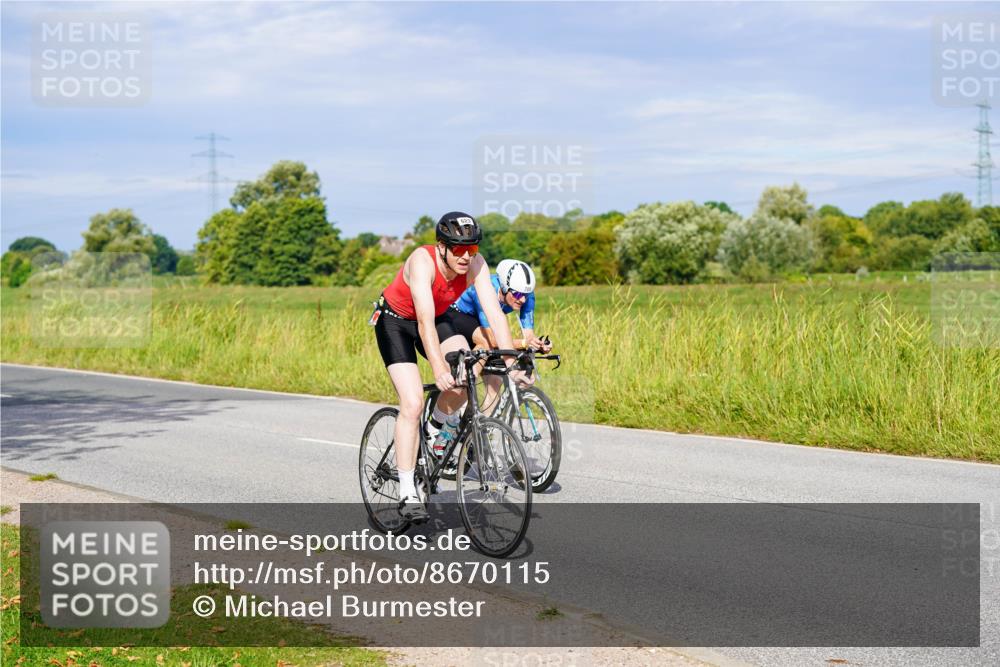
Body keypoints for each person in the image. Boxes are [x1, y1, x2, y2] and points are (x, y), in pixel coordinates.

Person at [372, 212, 523, 522]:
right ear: (441, 247)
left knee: (468, 372)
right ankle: (406, 491)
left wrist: (510, 361)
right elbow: (424, 322)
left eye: (472, 249)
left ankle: (432, 428)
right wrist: (439, 368)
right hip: (397, 322)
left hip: (439, 318)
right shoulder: (422, 261)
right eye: (458, 249)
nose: (466, 256)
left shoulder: (476, 264)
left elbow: (495, 314)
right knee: (412, 403)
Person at [433, 259, 551, 419]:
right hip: (458, 316)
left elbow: (528, 335)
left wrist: (537, 344)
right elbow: (494, 340)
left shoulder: (526, 296)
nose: (522, 299)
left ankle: (484, 430)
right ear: (503, 288)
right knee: (487, 343)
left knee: (496, 381)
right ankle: (465, 383)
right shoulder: (487, 289)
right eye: (517, 294)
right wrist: (523, 343)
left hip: (483, 324)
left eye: (526, 295)